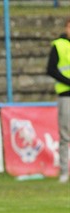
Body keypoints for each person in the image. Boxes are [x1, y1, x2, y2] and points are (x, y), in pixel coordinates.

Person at [47, 17, 70, 184]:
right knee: (65, 135)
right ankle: (64, 172)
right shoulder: (59, 45)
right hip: (66, 95)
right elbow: (51, 69)